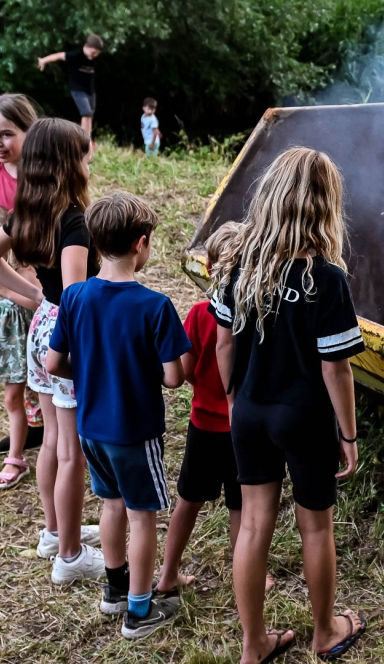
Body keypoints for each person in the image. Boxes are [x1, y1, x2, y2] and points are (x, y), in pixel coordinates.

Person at [212, 147, 367, 663]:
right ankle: (325, 632)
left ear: (272, 197)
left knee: (253, 526)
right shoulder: (328, 279)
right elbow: (335, 368)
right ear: (325, 206)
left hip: (251, 411)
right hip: (304, 417)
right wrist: (348, 436)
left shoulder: (237, 263)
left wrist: (235, 396)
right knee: (316, 526)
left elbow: (224, 343)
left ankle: (253, 645)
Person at [46, 192, 191, 639]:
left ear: (95, 241)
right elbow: (172, 379)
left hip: (91, 428)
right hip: (135, 431)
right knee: (142, 515)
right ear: (141, 244)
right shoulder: (155, 306)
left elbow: (53, 364)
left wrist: (89, 374)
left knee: (111, 505)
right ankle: (139, 611)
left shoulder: (75, 297)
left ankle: (114, 591)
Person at [0, 118, 103, 580]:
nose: (87, 160)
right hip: (65, 337)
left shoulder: (25, 213)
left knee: (53, 441)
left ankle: (55, 533)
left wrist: (37, 297)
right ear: (67, 164)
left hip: (42, 327)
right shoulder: (73, 221)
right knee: (70, 449)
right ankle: (71, 557)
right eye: (82, 154)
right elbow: (75, 295)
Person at [158, 221, 273, 597]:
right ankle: (252, 576)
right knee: (243, 509)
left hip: (204, 425)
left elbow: (187, 370)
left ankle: (167, 573)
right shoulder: (257, 316)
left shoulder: (198, 314)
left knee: (188, 501)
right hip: (247, 429)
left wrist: (208, 388)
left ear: (207, 267)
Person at [0, 93, 45, 456]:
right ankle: (31, 428)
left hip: (31, 280)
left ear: (29, 132)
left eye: (7, 134)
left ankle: (36, 428)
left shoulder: (41, 178)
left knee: (33, 366)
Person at [0, 207, 41, 490]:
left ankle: (15, 458)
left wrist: (7, 290)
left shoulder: (21, 267)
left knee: (13, 401)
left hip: (15, 348)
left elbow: (39, 303)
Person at [37, 34, 103, 137]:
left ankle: (88, 137)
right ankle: (84, 138)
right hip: (78, 89)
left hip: (90, 90)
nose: (93, 55)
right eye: (93, 52)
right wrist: (44, 60)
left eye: (96, 54)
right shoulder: (76, 55)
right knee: (86, 112)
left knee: (90, 115)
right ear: (85, 47)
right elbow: (58, 56)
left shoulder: (95, 59)